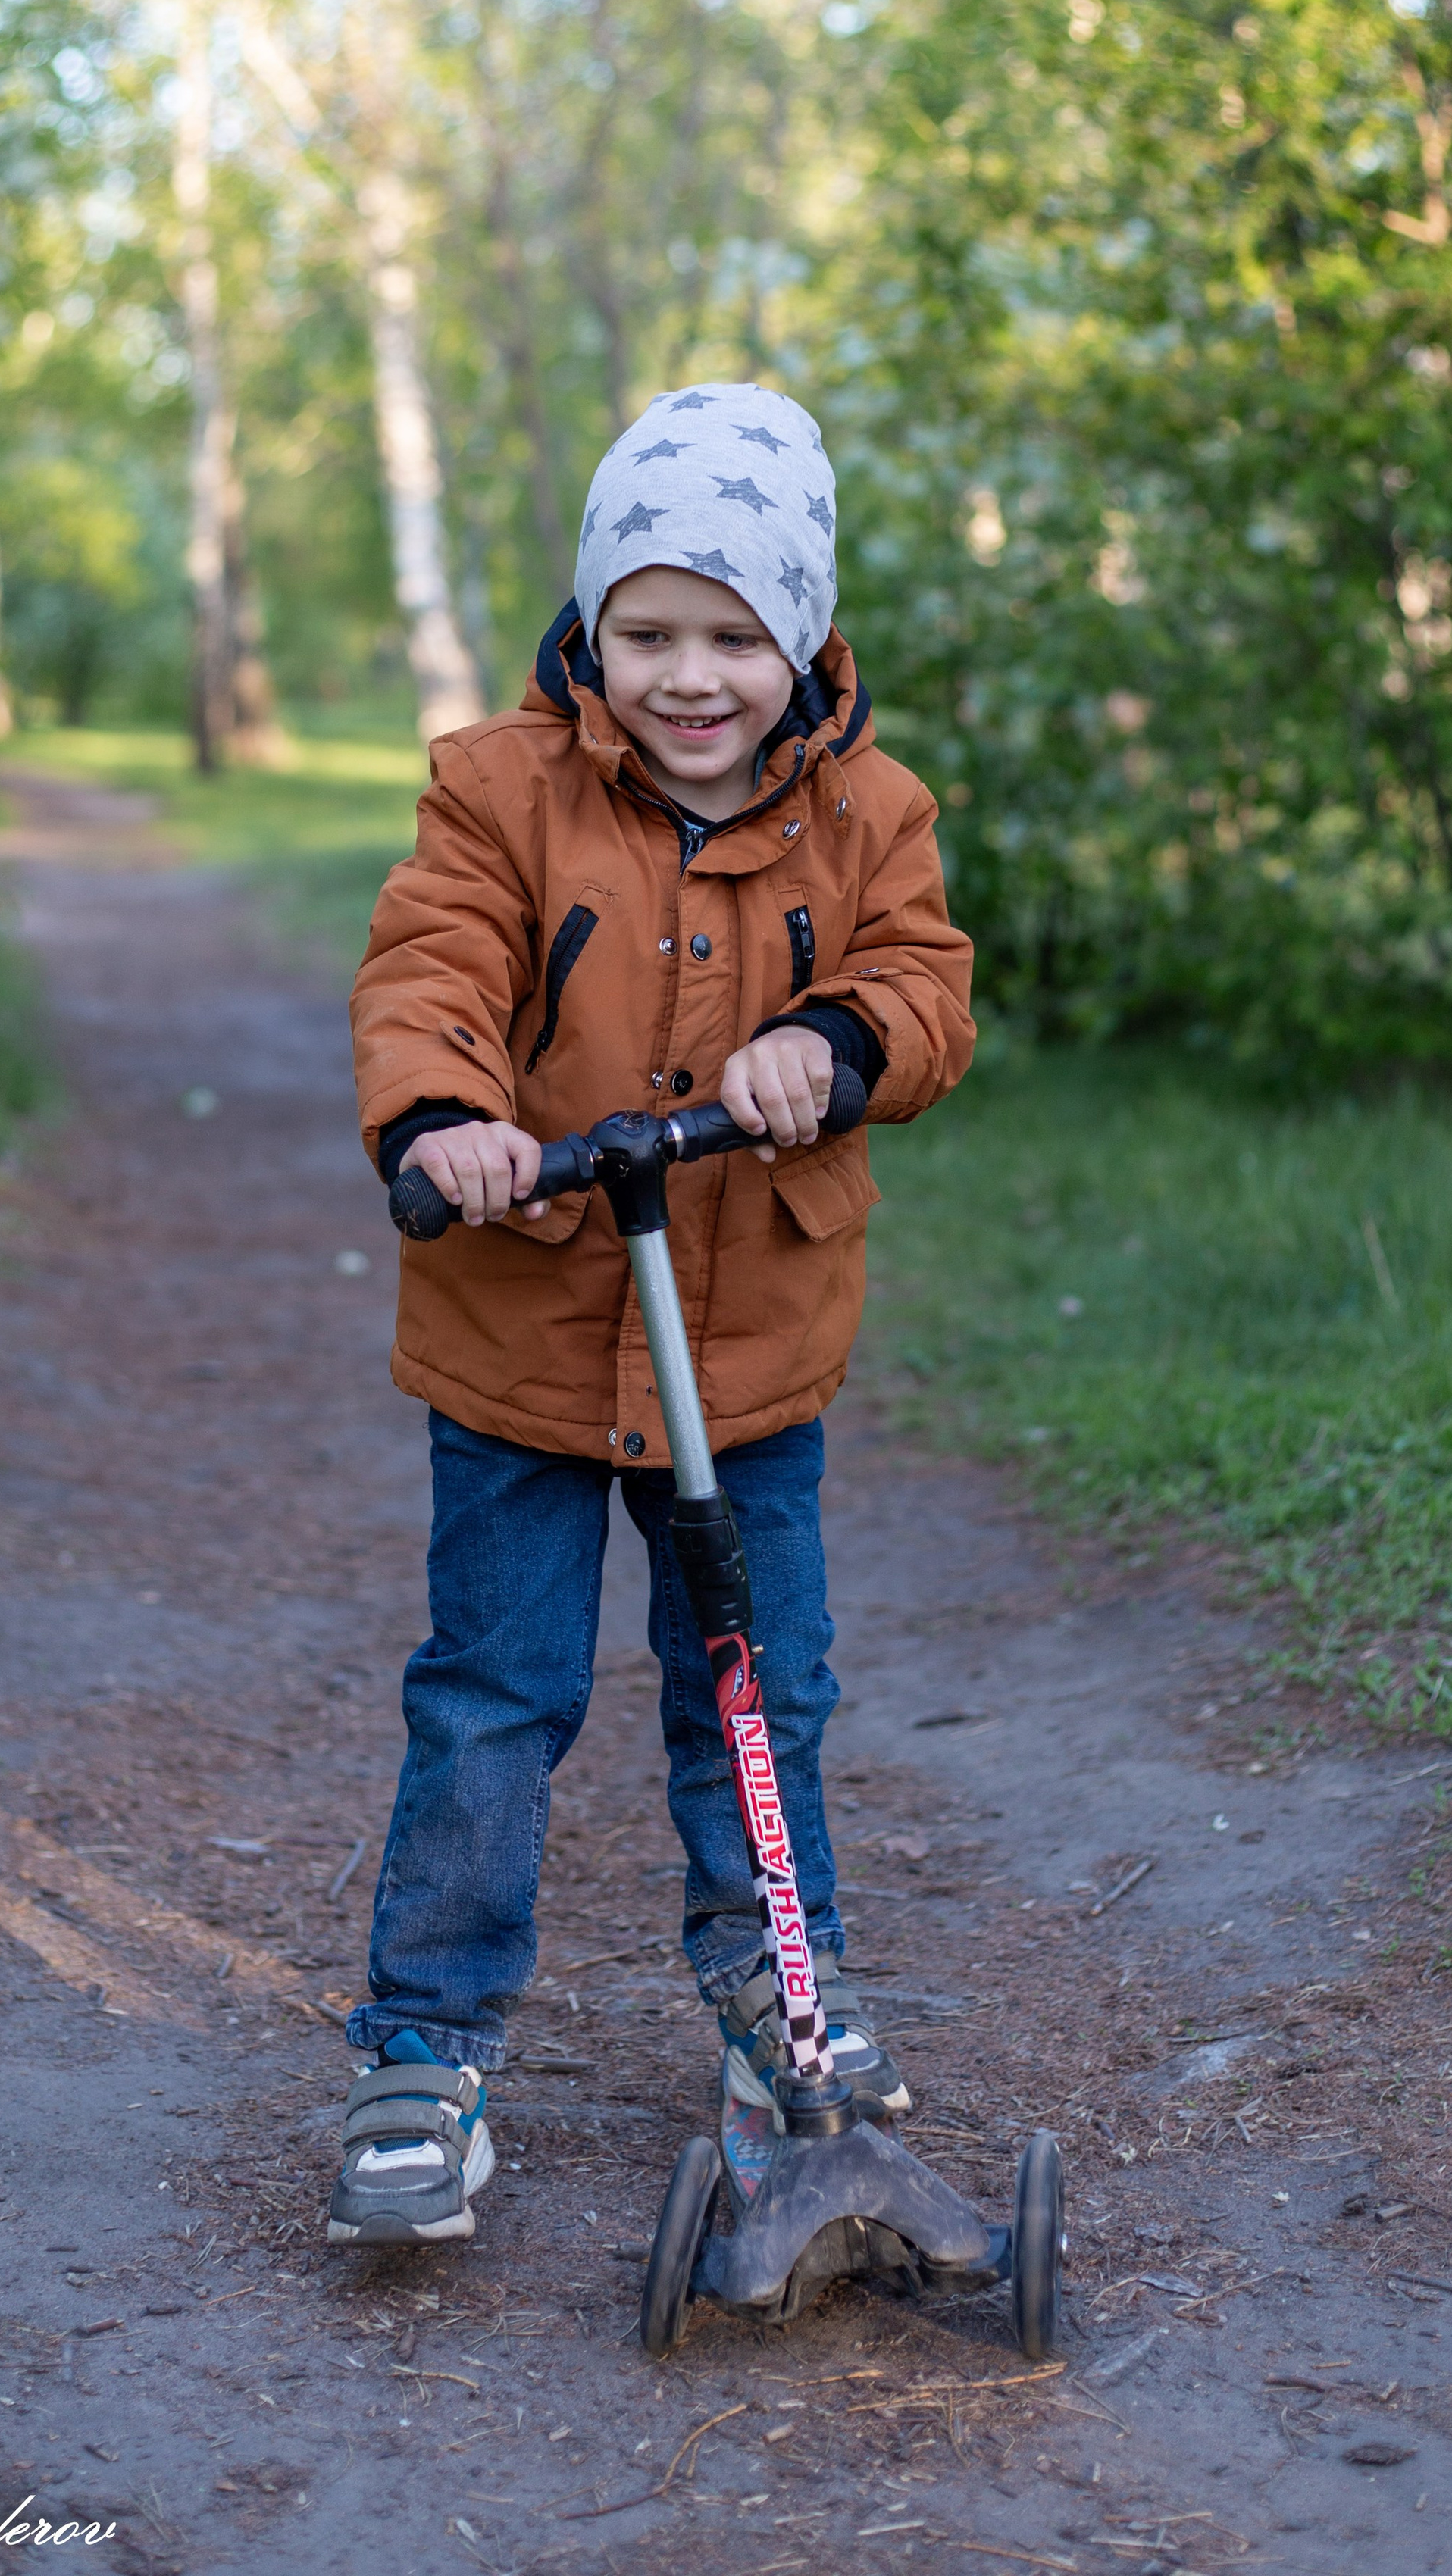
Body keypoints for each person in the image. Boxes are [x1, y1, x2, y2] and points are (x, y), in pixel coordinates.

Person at [331, 383, 974, 2245]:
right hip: (525, 1328)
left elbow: (922, 987)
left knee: (755, 1685)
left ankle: (780, 1986)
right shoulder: (497, 789)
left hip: (746, 1332)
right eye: (648, 631)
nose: (688, 678)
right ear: (591, 628)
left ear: (801, 637)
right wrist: (447, 1120)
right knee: (491, 1695)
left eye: (731, 637)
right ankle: (425, 2040)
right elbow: (431, 965)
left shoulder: (869, 812)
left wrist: (830, 1043)